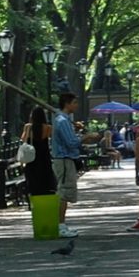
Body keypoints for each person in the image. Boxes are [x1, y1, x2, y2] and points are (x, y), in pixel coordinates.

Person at [49, 91, 83, 239]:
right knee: (63, 192)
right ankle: (60, 225)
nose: (76, 105)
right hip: (63, 159)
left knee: (66, 192)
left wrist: (76, 131)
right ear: (67, 104)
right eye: (74, 102)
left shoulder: (65, 120)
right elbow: (71, 143)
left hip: (66, 159)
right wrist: (85, 138)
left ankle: (62, 224)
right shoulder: (62, 121)